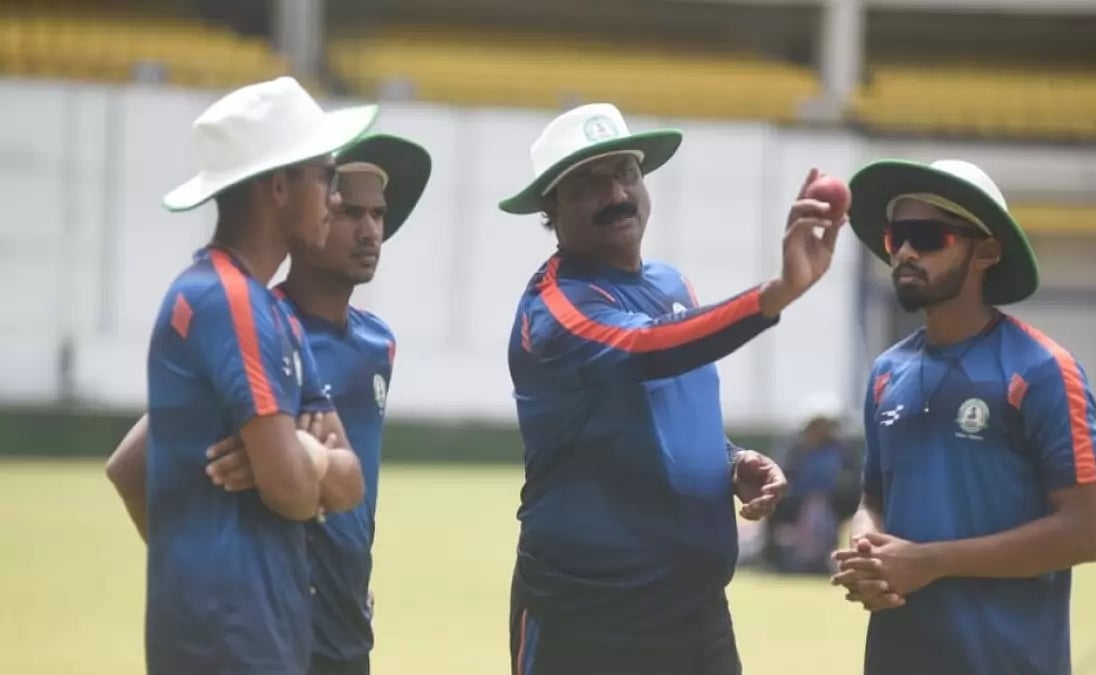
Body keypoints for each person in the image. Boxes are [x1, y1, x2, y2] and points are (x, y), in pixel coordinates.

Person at [499, 102, 845, 675]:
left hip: (696, 614)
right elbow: (648, 349)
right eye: (589, 184)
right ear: (550, 207)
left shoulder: (669, 282)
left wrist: (731, 461)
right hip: (587, 619)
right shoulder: (555, 308)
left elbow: (669, 396)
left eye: (627, 174)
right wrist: (776, 293)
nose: (616, 194)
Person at [106, 132, 431, 675]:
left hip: (347, 630)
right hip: (272, 628)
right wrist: (208, 583)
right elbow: (131, 467)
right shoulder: (256, 326)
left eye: (378, 213)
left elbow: (349, 490)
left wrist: (349, 584)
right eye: (349, 209)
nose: (370, 229)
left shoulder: (379, 343)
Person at [136, 76, 377, 675]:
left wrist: (298, 458)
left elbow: (351, 485)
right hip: (232, 642)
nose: (335, 196)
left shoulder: (268, 311)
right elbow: (297, 492)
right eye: (324, 176)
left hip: (261, 633)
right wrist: (302, 458)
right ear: (278, 186)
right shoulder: (232, 303)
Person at [831, 159, 1096, 674]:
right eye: (898, 238)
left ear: (986, 252)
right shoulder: (886, 372)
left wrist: (932, 562)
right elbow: (873, 497)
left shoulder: (1043, 370)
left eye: (929, 236)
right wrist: (866, 547)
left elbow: (1086, 534)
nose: (907, 252)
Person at [764, 394, 860, 575]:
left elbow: (852, 484)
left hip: (831, 505)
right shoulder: (793, 450)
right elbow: (782, 479)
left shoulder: (841, 450)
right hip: (794, 504)